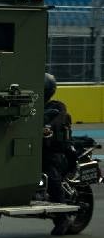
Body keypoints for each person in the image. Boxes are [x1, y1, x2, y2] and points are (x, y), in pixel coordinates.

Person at [43, 72, 74, 216]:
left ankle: (63, 217)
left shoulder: (57, 107)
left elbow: (57, 122)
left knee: (51, 175)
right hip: (37, 150)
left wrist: (48, 128)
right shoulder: (33, 107)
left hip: (55, 152)